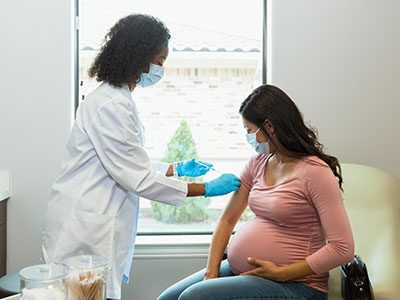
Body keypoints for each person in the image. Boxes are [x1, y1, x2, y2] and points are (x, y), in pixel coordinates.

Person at [41, 14, 240, 300]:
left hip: (96, 222)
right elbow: (136, 177)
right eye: (159, 61)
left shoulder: (118, 99)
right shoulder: (110, 105)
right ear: (138, 57)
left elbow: (127, 160)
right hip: (83, 230)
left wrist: (175, 168)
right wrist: (206, 189)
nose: (161, 69)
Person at [157, 85, 354, 300]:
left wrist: (281, 273)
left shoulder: (315, 173)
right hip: (242, 271)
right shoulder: (258, 163)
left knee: (194, 297)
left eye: (250, 130)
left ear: (269, 126)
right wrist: (211, 273)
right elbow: (227, 220)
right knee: (167, 298)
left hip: (297, 285)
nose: (247, 136)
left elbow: (342, 248)